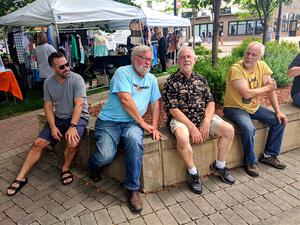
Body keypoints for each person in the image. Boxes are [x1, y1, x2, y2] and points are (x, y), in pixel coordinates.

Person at [88, 45, 162, 213]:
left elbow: (155, 104)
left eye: (150, 60)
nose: (149, 63)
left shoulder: (151, 79)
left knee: (135, 141)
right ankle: (93, 166)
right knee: (105, 155)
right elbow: (125, 99)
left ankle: (132, 189)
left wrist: (155, 127)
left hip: (132, 124)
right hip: (109, 122)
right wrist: (143, 124)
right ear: (135, 58)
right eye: (145, 59)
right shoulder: (123, 72)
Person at [6, 52, 89, 196]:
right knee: (37, 143)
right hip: (59, 117)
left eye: (67, 64)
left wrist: (73, 126)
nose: (67, 68)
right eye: (62, 67)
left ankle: (65, 168)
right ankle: (21, 177)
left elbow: (79, 105)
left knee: (73, 143)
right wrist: (52, 126)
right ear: (53, 68)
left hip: (78, 117)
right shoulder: (48, 82)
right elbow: (48, 106)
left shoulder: (77, 79)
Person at [162, 46, 235, 194]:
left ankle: (219, 166)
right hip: (181, 120)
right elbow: (173, 109)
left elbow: (211, 102)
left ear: (194, 60)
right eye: (182, 57)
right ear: (178, 61)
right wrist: (192, 127)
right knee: (182, 138)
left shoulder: (201, 79)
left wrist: (206, 122)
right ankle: (193, 173)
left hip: (203, 117)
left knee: (229, 130)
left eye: (189, 57)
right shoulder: (171, 81)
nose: (186, 60)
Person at [223, 42, 287, 177]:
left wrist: (278, 111)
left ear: (260, 58)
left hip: (253, 107)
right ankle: (250, 162)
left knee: (279, 121)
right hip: (234, 107)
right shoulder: (236, 69)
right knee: (248, 128)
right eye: (247, 53)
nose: (249, 57)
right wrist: (269, 87)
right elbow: (246, 94)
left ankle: (269, 155)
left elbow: (271, 91)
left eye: (254, 54)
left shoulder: (262, 67)